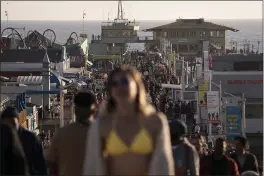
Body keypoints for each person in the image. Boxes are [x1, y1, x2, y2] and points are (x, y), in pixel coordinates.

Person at [83, 65, 174, 175]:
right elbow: (92, 167)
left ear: (137, 85)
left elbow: (164, 166)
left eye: (125, 82)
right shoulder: (101, 124)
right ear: (110, 90)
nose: (120, 87)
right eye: (115, 84)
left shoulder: (155, 122)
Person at [46, 92, 97, 176]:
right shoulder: (103, 133)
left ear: (75, 110)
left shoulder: (62, 133)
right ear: (94, 109)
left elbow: (51, 164)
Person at [1, 106, 47, 176]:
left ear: (18, 121)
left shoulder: (31, 139)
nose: (10, 128)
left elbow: (40, 166)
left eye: (13, 124)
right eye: (7, 125)